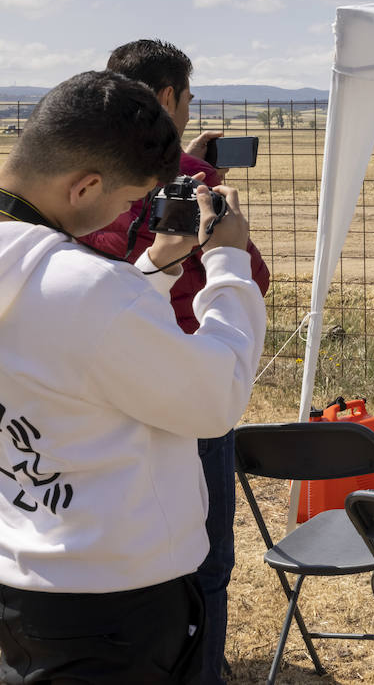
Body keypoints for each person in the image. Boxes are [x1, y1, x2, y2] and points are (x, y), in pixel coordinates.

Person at [0, 70, 266, 683]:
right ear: (85, 184)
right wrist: (227, 261)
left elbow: (69, 347)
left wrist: (153, 265)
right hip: (114, 603)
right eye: (126, 202)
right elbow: (215, 397)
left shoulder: (60, 283)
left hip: (26, 577)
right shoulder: (90, 288)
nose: (127, 214)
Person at [80, 39, 269, 685]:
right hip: (189, 382)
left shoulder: (80, 180)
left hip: (92, 391)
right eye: (187, 99)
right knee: (209, 562)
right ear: (167, 99)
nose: (189, 110)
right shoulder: (193, 182)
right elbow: (253, 276)